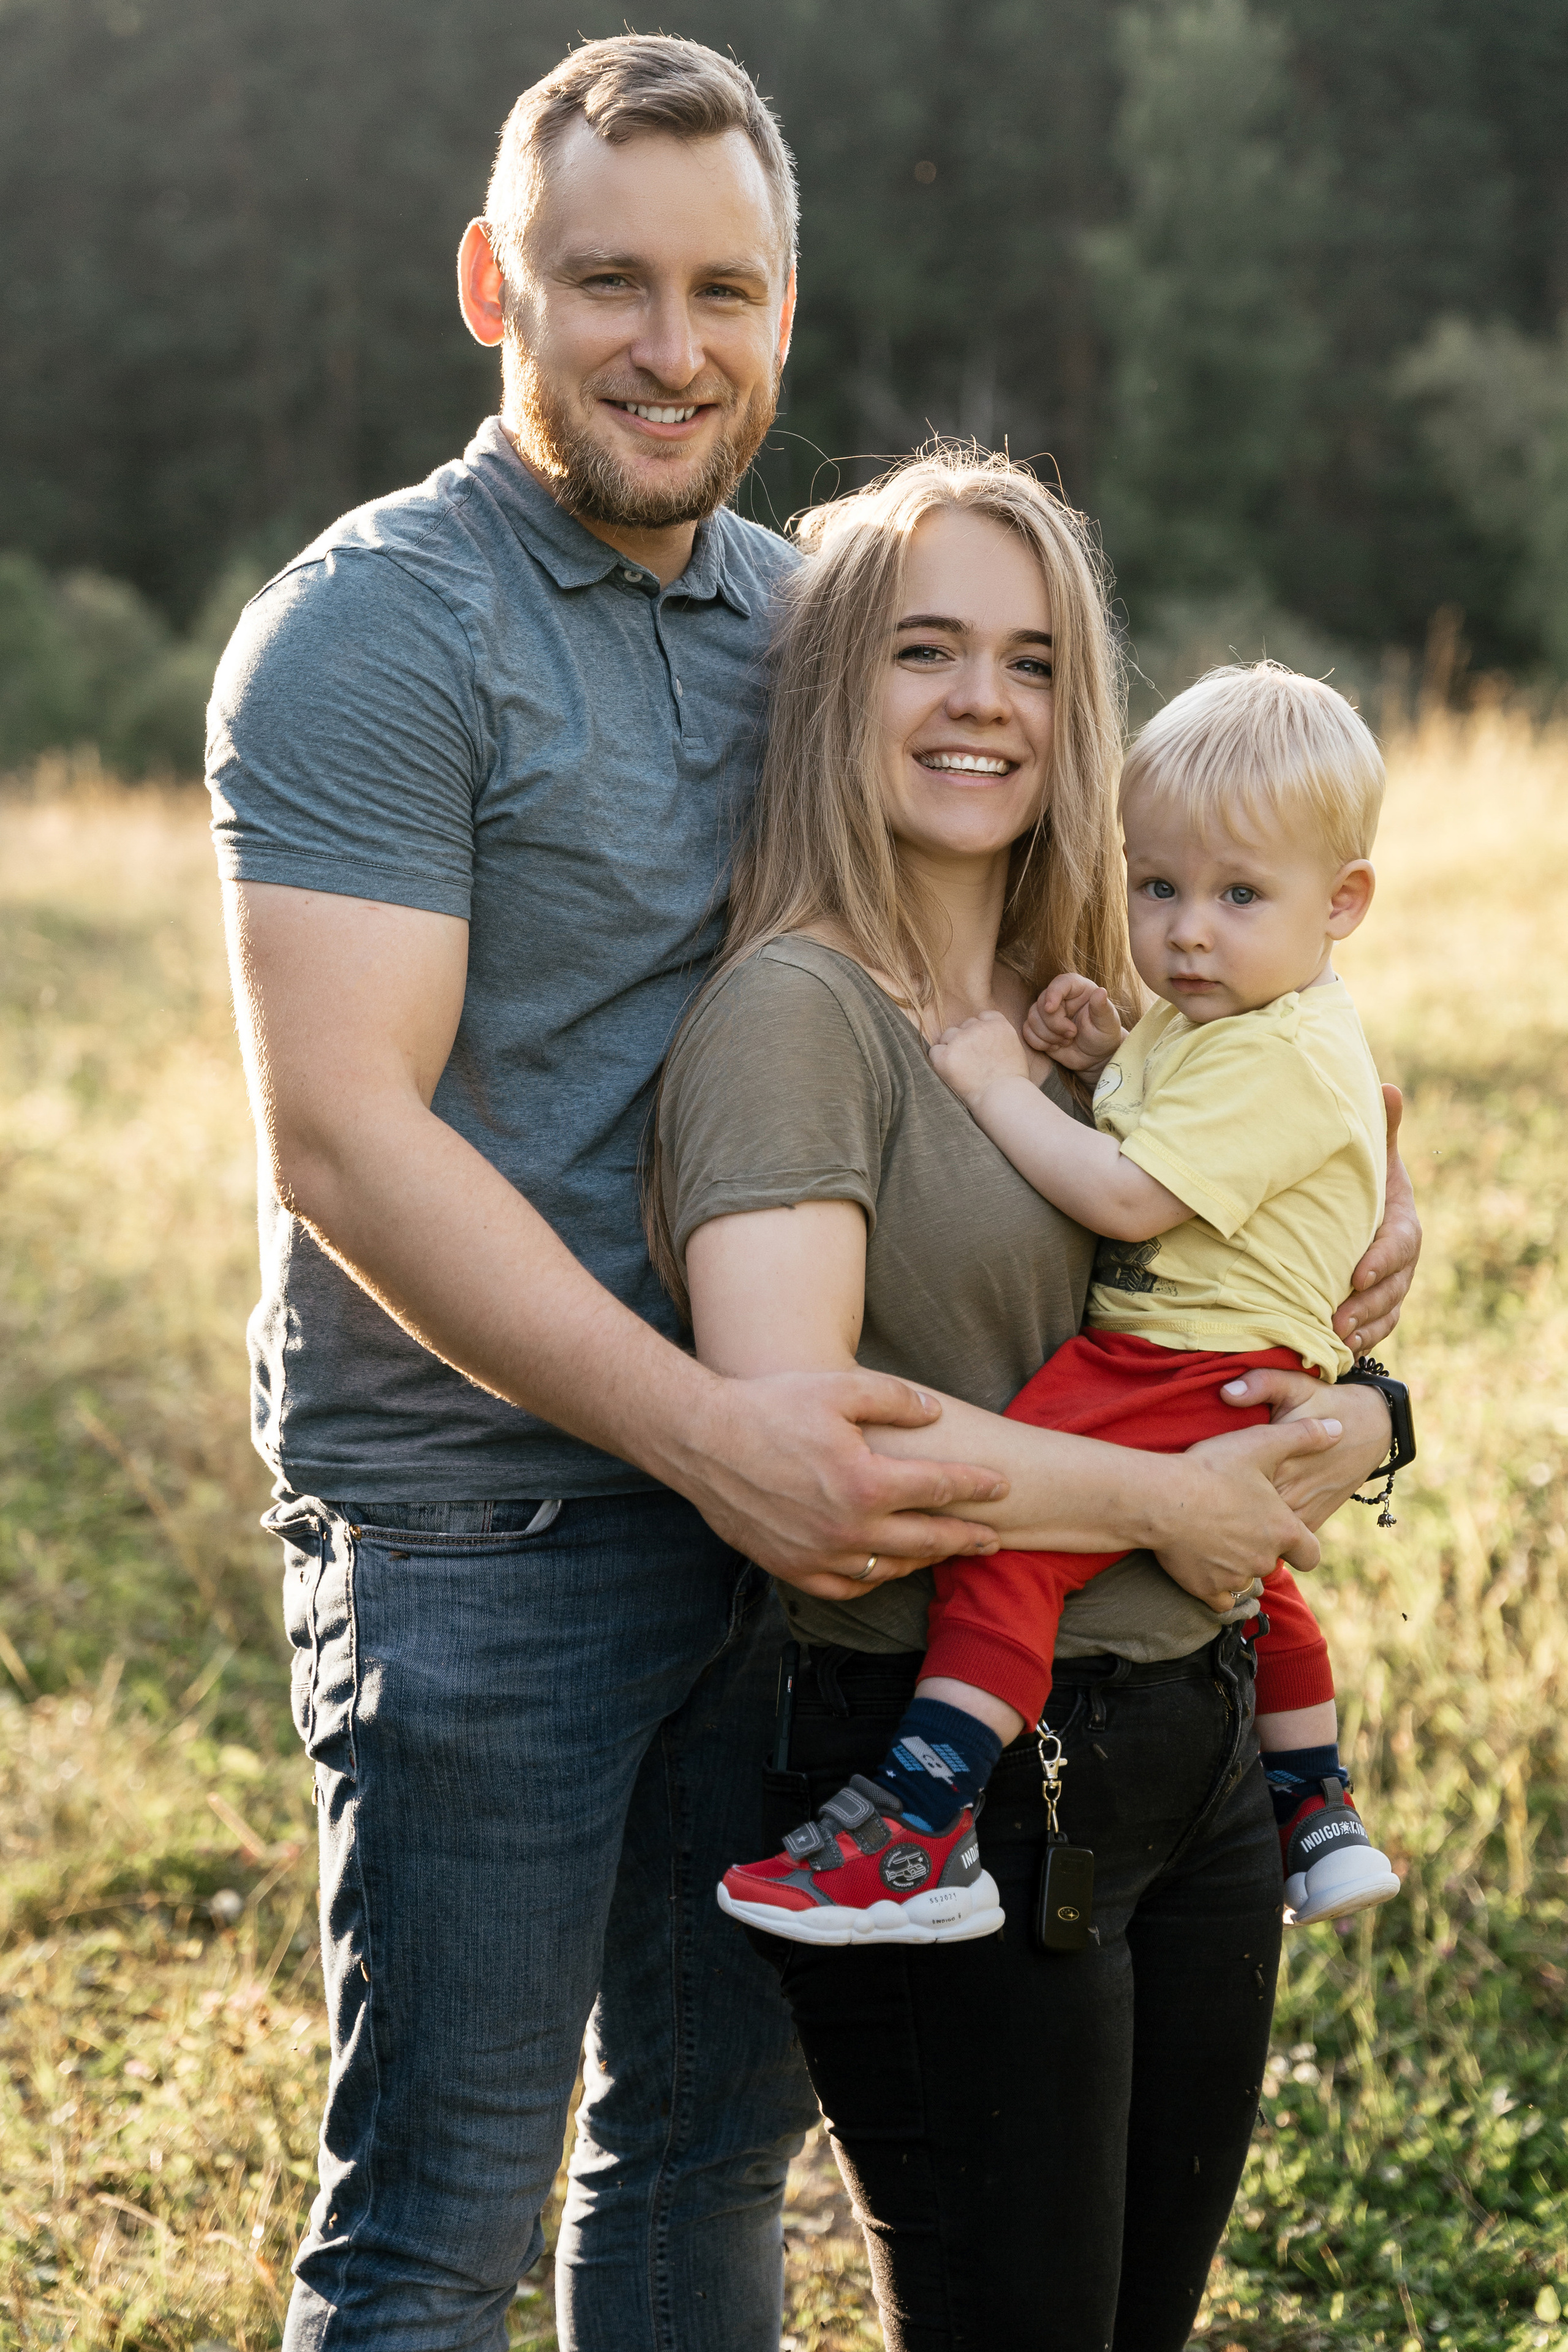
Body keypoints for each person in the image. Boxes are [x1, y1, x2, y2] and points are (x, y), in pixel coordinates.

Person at [208, 35, 1416, 2348]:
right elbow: (346, 1133)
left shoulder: (810, 617)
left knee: (699, 2162)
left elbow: (1056, 939)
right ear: (494, 285)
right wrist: (710, 1437)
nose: (674, 345)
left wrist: (1347, 1187)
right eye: (608, 283)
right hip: (491, 1521)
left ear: (786, 307)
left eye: (726, 289)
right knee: (440, 2213)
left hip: (806, 1520)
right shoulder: (380, 630)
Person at [652, 448, 1411, 2348]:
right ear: (837, 684)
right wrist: (1172, 1506)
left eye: (1034, 657)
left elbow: (1243, 1281)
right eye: (926, 650)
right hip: (967, 1783)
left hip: (1197, 1747)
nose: (984, 700)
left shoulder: (1109, 991)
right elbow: (810, 1452)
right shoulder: (800, 1019)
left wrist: (1380, 1406)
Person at [720, 661, 1404, 1947]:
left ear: (1344, 900)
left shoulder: (1284, 1050)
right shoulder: (1238, 1014)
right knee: (1249, 1568)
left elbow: (1130, 1196)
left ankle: (919, 1828)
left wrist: (997, 1083)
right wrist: (1108, 1054)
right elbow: (1187, 1108)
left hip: (1170, 1359)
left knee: (1004, 1541)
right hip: (1225, 1358)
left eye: (1236, 895)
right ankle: (1312, 1807)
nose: (1185, 933)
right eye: (1157, 887)